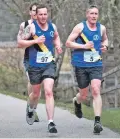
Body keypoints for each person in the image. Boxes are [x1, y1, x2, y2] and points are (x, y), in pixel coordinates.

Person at [17, 4, 62, 133]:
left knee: (48, 91)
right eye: (40, 14)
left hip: (49, 64)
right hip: (34, 66)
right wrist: (34, 42)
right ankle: (30, 108)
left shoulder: (52, 26)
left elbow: (56, 37)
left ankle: (51, 122)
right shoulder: (31, 27)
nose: (43, 17)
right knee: (35, 94)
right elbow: (20, 43)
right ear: (36, 15)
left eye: (45, 14)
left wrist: (58, 46)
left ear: (47, 15)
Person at [65, 5, 108, 134]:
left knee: (96, 89)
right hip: (81, 65)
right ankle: (76, 102)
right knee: (83, 94)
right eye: (92, 14)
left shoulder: (102, 28)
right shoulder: (80, 27)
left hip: (96, 64)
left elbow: (105, 39)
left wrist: (105, 45)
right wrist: (84, 46)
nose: (94, 16)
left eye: (96, 14)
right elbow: (68, 43)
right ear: (87, 15)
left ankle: (97, 122)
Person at [17, 2, 40, 123]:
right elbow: (19, 43)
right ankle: (31, 108)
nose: (36, 13)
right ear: (30, 12)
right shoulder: (24, 25)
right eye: (34, 11)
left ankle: (33, 109)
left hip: (42, 59)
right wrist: (32, 40)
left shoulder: (45, 25)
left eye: (38, 11)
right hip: (29, 59)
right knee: (32, 83)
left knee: (38, 88)